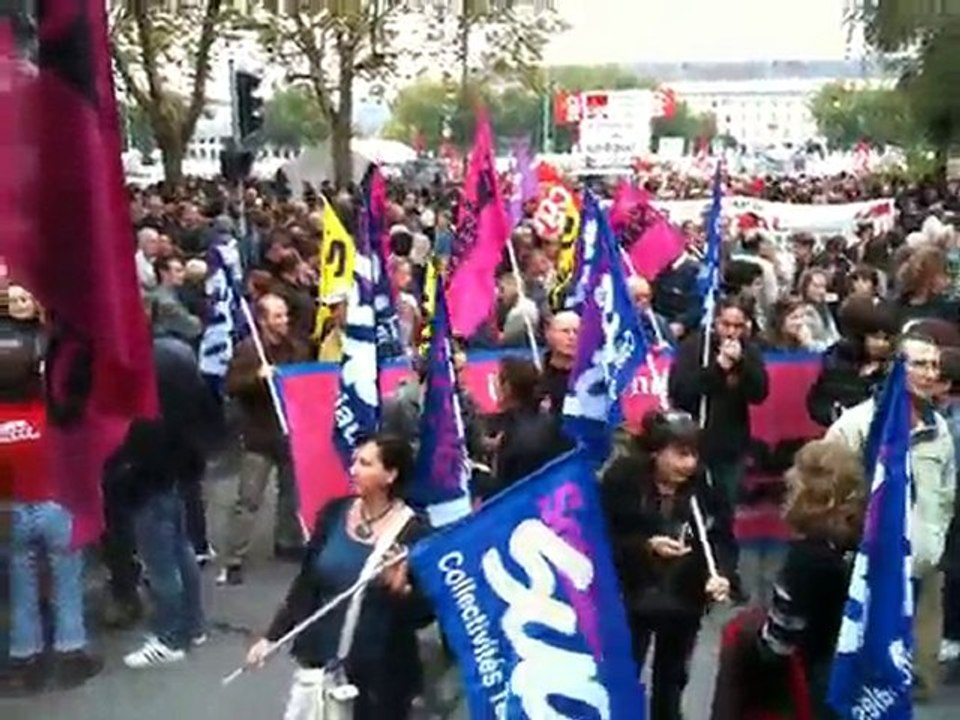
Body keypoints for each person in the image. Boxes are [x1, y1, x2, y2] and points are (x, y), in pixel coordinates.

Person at [245, 435, 431, 720]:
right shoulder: (334, 513)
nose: (353, 470)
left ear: (390, 475)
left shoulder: (415, 534)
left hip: (379, 682)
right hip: (321, 667)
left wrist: (400, 590)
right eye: (354, 461)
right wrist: (272, 637)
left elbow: (424, 614)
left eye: (365, 463)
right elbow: (307, 583)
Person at [826, 329, 957, 702]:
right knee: (868, 686)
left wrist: (934, 541)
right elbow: (826, 491)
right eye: (920, 364)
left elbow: (946, 492)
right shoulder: (857, 425)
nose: (930, 374)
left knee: (917, 686)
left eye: (934, 365)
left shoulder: (939, 429)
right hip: (872, 573)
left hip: (924, 571)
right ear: (897, 368)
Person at [710, 440, 866, 720]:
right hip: (849, 677)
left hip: (809, 687)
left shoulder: (804, 560)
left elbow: (777, 644)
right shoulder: (857, 553)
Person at [602, 410, 736, 720]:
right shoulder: (621, 481)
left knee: (671, 684)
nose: (689, 464)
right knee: (622, 679)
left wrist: (722, 575)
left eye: (694, 455)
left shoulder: (705, 487)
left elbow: (722, 540)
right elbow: (603, 537)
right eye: (681, 454)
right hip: (631, 597)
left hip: (683, 600)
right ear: (655, 451)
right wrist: (645, 546)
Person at [2, 292, 103, 692]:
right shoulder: (56, 417)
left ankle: (23, 657)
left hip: (11, 510)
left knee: (21, 585)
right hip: (57, 504)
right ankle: (70, 651)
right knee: (66, 580)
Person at [113, 327, 221, 668]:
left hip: (148, 479)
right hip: (175, 474)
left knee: (160, 563)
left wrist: (127, 469)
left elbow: (136, 436)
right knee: (180, 550)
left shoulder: (143, 379)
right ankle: (193, 624)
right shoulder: (177, 357)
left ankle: (169, 637)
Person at [218, 293, 311, 586]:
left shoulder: (296, 348)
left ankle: (287, 541)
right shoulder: (248, 350)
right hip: (259, 437)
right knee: (248, 500)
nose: (284, 321)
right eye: (277, 316)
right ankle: (233, 558)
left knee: (290, 494)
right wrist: (257, 377)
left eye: (285, 315)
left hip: (288, 433)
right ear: (262, 320)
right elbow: (231, 386)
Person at [669, 295, 770, 506]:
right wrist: (718, 368)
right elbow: (680, 392)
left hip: (730, 444)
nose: (731, 332)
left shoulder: (749, 350)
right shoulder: (693, 346)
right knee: (693, 503)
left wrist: (741, 364)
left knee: (726, 504)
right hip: (695, 439)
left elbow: (759, 394)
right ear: (715, 322)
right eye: (726, 324)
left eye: (738, 326)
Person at [806, 296, 897, 427]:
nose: (882, 344)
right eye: (876, 337)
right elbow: (819, 403)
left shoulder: (897, 367)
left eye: (887, 338)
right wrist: (837, 415)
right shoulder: (834, 361)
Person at [538, 311, 580, 416]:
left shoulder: (591, 376)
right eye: (565, 331)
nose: (572, 337)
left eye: (577, 332)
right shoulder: (535, 372)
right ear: (549, 334)